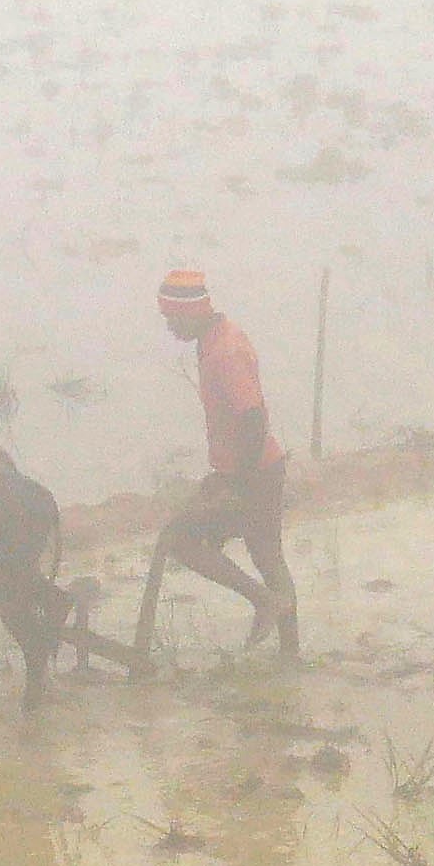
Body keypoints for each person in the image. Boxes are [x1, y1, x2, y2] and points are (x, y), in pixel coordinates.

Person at [132, 266, 299, 658]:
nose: (170, 327)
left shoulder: (225, 351)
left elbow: (253, 419)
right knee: (267, 555)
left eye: (172, 318)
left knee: (180, 540)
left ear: (191, 312)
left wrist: (235, 484)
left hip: (253, 472)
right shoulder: (213, 339)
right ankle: (290, 652)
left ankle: (264, 603)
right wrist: (222, 475)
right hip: (254, 468)